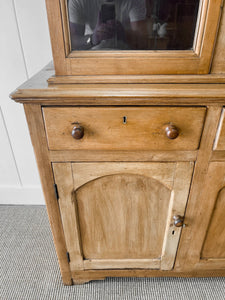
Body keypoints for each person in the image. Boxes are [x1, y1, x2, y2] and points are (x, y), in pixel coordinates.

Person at [68, 0, 147, 50]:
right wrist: (92, 39)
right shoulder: (78, 1)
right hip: (92, 53)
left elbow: (142, 43)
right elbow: (72, 42)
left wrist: (124, 36)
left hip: (125, 53)